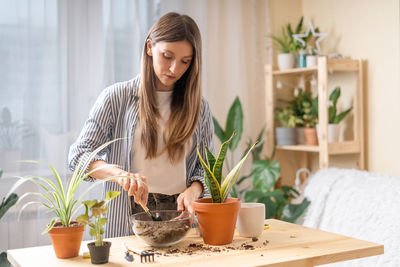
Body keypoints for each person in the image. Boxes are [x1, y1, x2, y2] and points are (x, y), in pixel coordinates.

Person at [68, 12, 214, 238]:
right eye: (167, 56)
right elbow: (78, 157)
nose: (175, 69)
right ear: (149, 48)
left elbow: (208, 170)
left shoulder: (199, 107)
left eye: (185, 61)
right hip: (128, 224)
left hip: (182, 224)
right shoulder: (116, 98)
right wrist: (118, 174)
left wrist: (195, 190)